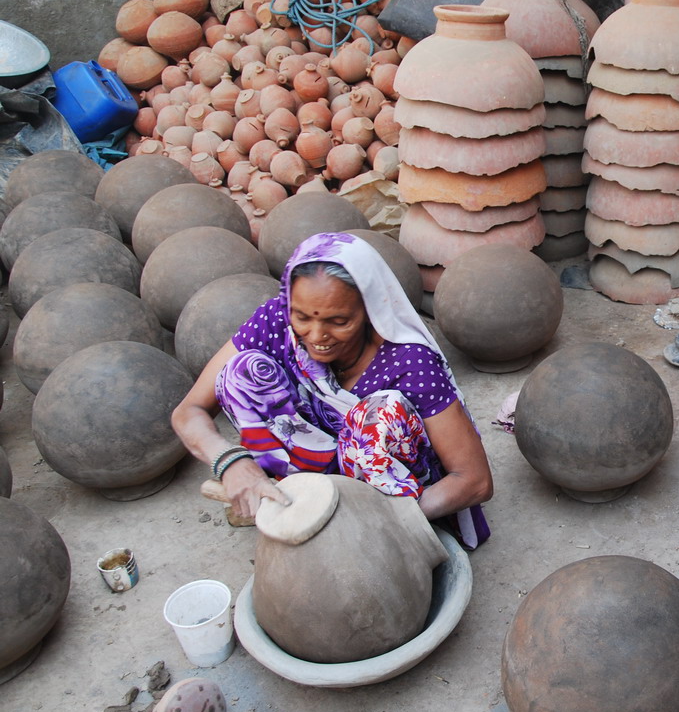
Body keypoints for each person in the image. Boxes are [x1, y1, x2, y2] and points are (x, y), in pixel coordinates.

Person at [172, 231, 493, 549]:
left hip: (390, 487)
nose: (316, 335)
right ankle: (299, 494)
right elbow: (188, 413)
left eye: (339, 321)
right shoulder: (275, 322)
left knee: (380, 412)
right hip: (317, 463)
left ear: (370, 310)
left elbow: (475, 481)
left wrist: (389, 522)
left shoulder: (409, 362)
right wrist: (229, 461)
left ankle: (365, 515)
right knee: (241, 372)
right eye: (302, 317)